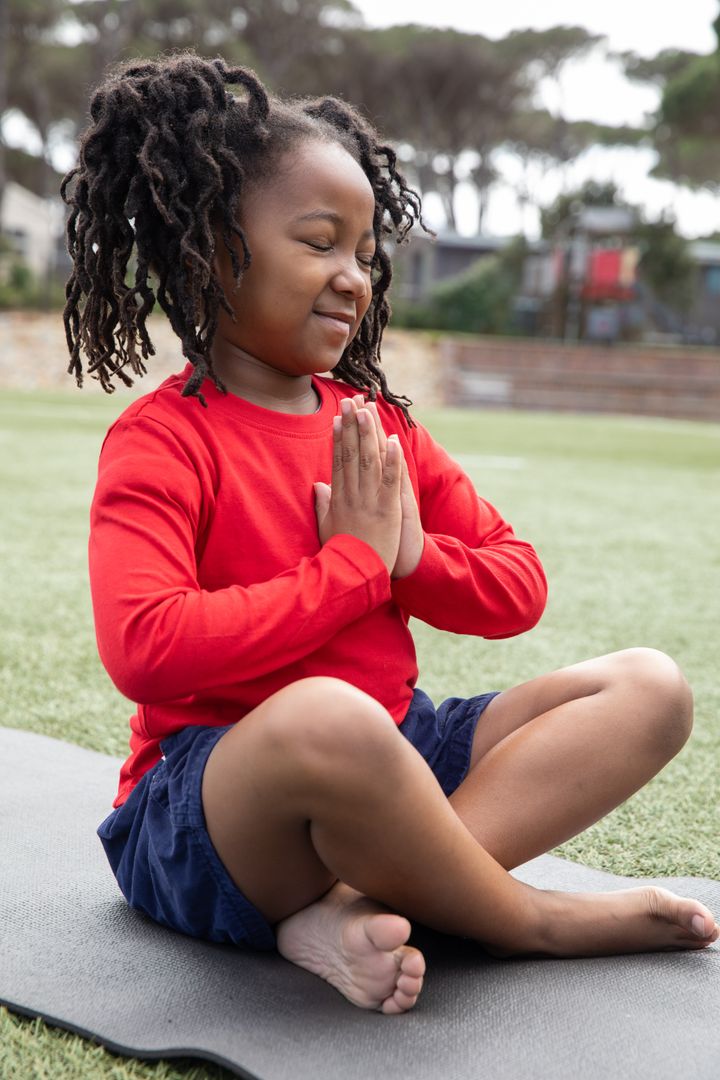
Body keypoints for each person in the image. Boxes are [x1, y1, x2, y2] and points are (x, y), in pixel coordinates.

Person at [63, 53, 718, 1016]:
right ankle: (520, 917)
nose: (353, 279)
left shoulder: (379, 428)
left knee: (650, 687)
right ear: (209, 244)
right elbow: (146, 649)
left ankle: (361, 904)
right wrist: (352, 570)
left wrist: (408, 557)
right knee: (329, 714)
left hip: (395, 758)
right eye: (320, 242)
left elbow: (516, 584)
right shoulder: (163, 441)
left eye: (366, 253)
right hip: (212, 809)